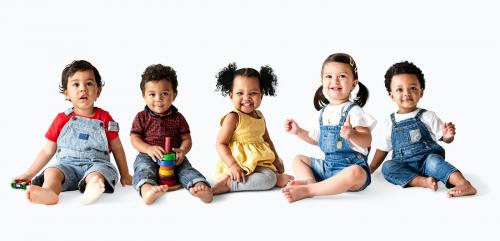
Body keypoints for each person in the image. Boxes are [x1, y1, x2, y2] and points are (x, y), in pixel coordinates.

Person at [13, 60, 132, 205]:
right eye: (76, 84)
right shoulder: (62, 119)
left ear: (98, 91)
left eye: (89, 83)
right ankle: (49, 192)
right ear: (66, 93)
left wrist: (125, 175)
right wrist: (28, 174)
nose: (83, 89)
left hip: (96, 163)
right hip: (67, 165)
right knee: (52, 172)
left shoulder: (106, 118)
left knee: (97, 174)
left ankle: (93, 186)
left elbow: (117, 147)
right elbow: (47, 150)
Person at [369, 61, 476, 197]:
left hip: (428, 161)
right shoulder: (388, 122)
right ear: (391, 95)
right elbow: (382, 149)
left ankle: (464, 183)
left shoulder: (427, 116)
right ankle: (422, 181)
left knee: (435, 163)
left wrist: (448, 136)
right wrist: (371, 168)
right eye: (400, 89)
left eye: (412, 88)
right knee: (388, 167)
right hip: (404, 165)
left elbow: (444, 138)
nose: (407, 93)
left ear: (421, 92)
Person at [282, 53, 376, 203]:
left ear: (353, 84)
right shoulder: (322, 113)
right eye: (329, 76)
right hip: (328, 167)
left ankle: (309, 190)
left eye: (342, 76)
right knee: (298, 159)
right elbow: (316, 140)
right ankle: (309, 181)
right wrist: (298, 132)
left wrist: (352, 134)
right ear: (322, 81)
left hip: (351, 168)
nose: (335, 81)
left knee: (355, 172)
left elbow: (367, 140)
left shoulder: (354, 111)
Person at [130, 64, 212, 204]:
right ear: (144, 96)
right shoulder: (141, 117)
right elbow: (134, 138)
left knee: (185, 169)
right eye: (152, 94)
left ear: (174, 94)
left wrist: (182, 151)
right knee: (143, 169)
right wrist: (148, 149)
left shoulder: (178, 118)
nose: (158, 99)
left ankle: (199, 185)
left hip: (174, 158)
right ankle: (147, 189)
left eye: (164, 93)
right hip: (148, 156)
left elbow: (186, 139)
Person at [212, 63, 294, 194]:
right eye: (240, 93)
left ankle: (274, 177)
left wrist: (276, 159)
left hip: (257, 161)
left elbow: (267, 139)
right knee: (269, 179)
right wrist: (233, 165)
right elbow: (220, 143)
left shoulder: (260, 115)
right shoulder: (233, 117)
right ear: (231, 95)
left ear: (262, 94)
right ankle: (229, 184)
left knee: (277, 168)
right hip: (239, 164)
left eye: (253, 93)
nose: (246, 98)